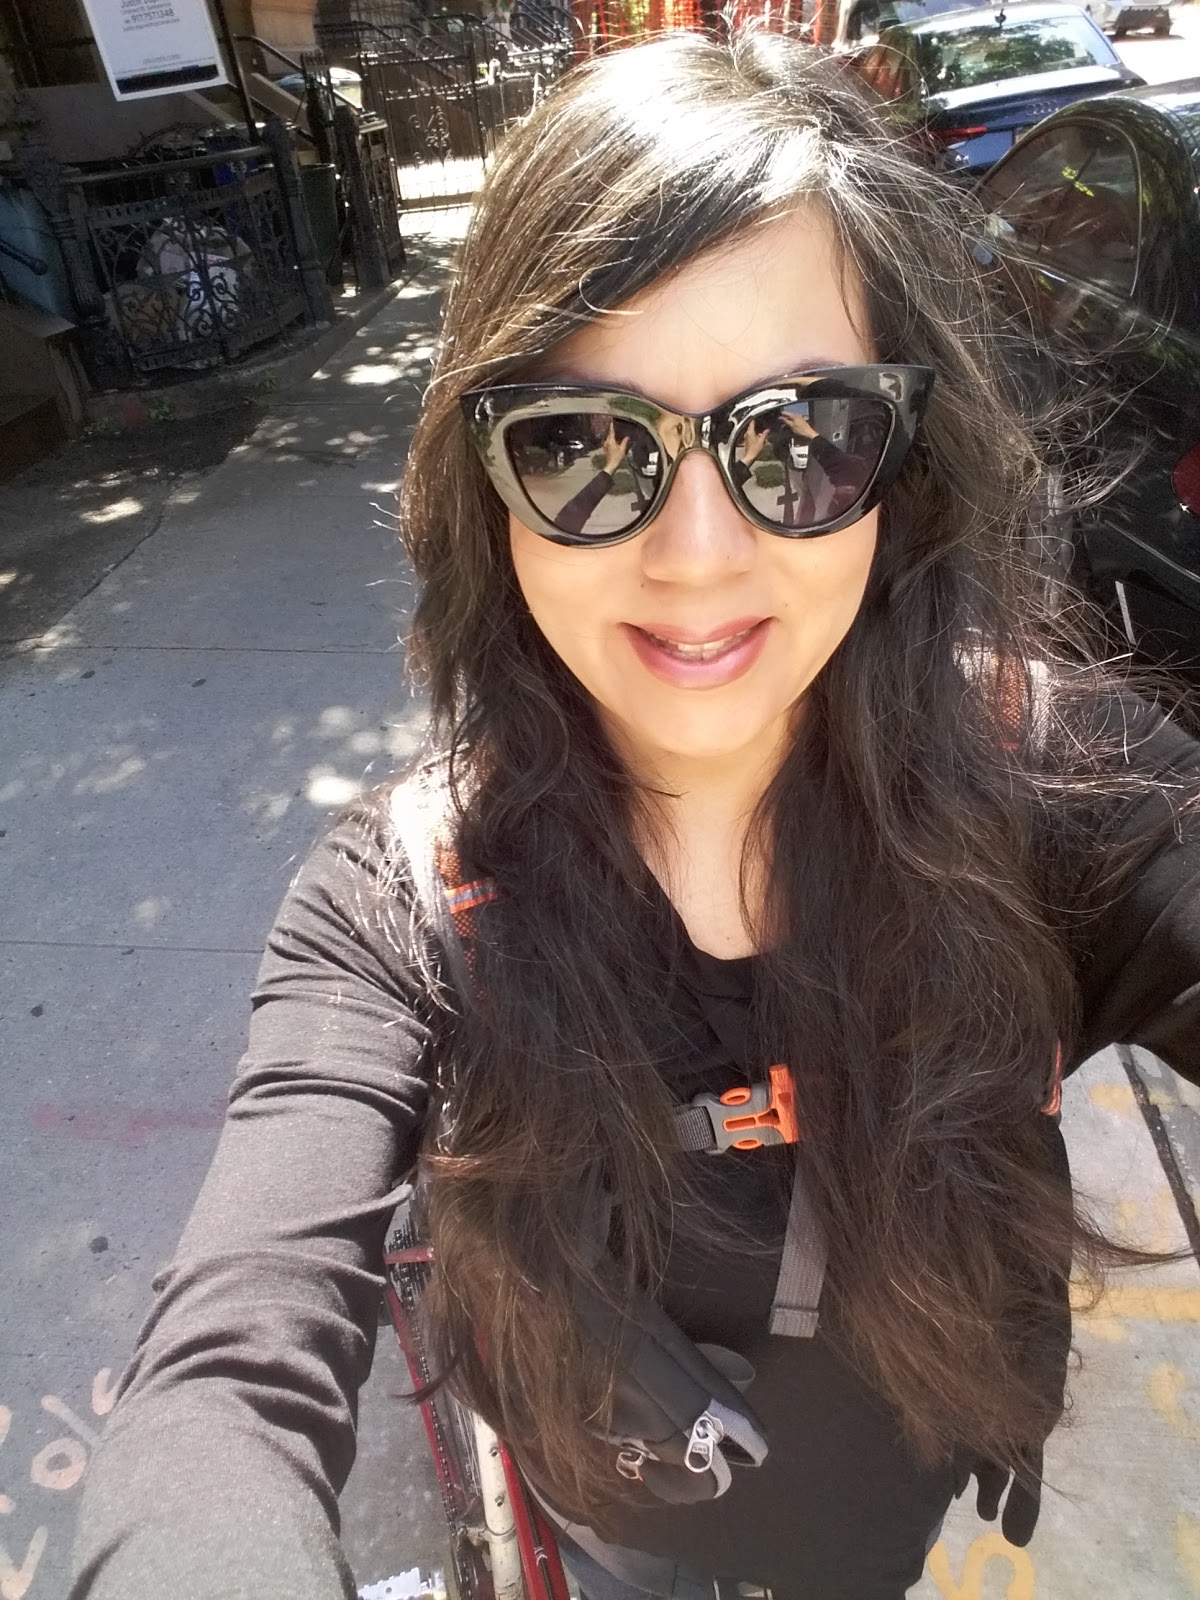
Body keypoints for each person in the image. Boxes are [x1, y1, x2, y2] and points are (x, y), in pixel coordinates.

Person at [68, 29, 1200, 1600]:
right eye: (584, 447)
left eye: (802, 438)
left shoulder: (1054, 784)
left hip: (897, 1515)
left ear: (903, 463)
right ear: (488, 489)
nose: (698, 556)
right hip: (609, 1516)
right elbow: (224, 1376)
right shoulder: (400, 897)